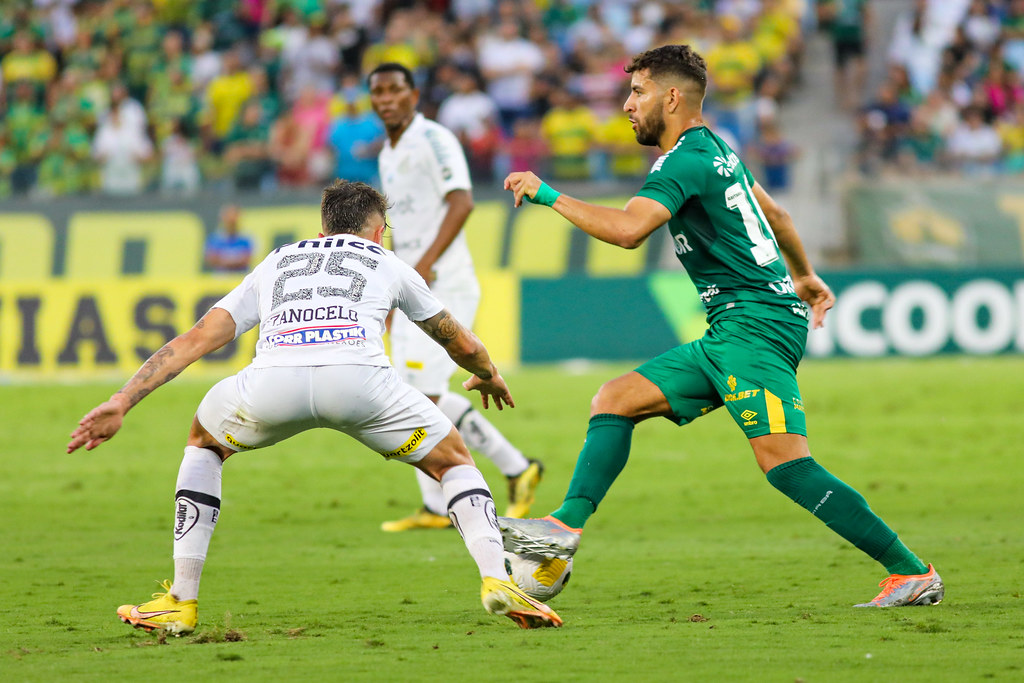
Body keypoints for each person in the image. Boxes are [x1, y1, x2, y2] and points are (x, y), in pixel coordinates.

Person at [500, 45, 943, 609]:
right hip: (734, 326)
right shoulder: (716, 149)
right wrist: (804, 276)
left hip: (754, 326)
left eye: (637, 93)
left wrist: (548, 194)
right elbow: (776, 216)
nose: (627, 106)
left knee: (785, 463)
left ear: (672, 97)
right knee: (615, 399)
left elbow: (630, 231)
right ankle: (564, 528)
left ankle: (910, 571)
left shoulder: (682, 161)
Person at [66, 180, 562, 634]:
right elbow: (456, 339)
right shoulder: (386, 261)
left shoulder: (279, 261)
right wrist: (489, 372)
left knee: (203, 441)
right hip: (360, 385)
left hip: (271, 386)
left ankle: (180, 599)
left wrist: (121, 400)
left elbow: (199, 338)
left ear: (322, 226)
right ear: (378, 229)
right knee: (453, 461)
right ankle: (497, 580)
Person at [368, 62, 543, 531]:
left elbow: (461, 201)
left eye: (394, 90)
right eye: (377, 92)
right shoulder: (388, 152)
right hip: (409, 284)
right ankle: (438, 502)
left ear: (414, 94)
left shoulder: (435, 138)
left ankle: (515, 467)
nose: (385, 99)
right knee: (409, 394)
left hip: (443, 282)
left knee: (421, 394)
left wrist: (423, 264)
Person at [204, 204, 254, 273]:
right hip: (221, 278)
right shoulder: (214, 239)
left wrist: (223, 260)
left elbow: (247, 259)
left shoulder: (247, 239)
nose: (231, 221)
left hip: (240, 277)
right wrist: (237, 260)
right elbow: (211, 259)